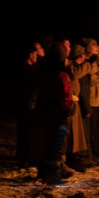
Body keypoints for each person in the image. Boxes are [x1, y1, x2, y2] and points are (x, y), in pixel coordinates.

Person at [35, 43, 72, 184]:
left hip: (49, 112)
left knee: (49, 143)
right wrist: (66, 109)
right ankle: (53, 176)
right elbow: (62, 94)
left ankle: (44, 173)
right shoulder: (59, 74)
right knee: (56, 144)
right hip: (58, 113)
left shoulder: (46, 72)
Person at [66, 44, 96, 170]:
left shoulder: (74, 66)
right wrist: (88, 63)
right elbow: (75, 74)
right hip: (70, 102)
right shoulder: (69, 66)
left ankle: (75, 157)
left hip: (76, 102)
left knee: (76, 134)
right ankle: (70, 159)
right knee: (71, 133)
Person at [16, 41, 41, 167]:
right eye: (35, 53)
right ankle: (24, 157)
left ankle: (27, 156)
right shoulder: (25, 69)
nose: (37, 56)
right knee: (26, 129)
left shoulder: (33, 68)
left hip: (31, 101)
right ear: (30, 54)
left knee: (29, 129)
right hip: (27, 102)